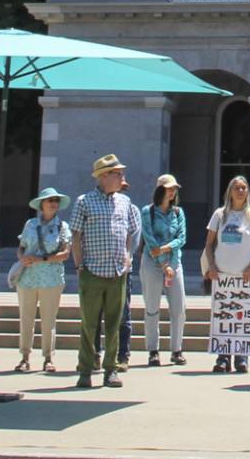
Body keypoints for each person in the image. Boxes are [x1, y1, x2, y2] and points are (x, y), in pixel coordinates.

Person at [69, 153, 140, 389]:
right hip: (92, 271)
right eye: (117, 173)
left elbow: (130, 232)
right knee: (89, 324)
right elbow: (76, 236)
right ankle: (86, 369)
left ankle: (111, 370)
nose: (122, 177)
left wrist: (128, 258)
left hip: (117, 272)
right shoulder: (84, 201)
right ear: (103, 176)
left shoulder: (125, 202)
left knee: (114, 323)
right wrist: (79, 265)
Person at [204, 175, 250, 374]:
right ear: (230, 191)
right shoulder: (219, 215)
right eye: (237, 187)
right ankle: (223, 358)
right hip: (222, 276)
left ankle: (241, 358)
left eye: (244, 188)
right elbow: (209, 244)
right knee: (224, 316)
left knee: (243, 316)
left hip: (245, 276)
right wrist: (211, 266)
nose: (240, 191)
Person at [13, 187, 72, 374]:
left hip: (51, 278)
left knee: (48, 319)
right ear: (41, 204)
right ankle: (24, 357)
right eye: (49, 200)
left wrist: (42, 259)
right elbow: (21, 247)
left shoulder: (63, 226)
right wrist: (22, 257)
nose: (53, 203)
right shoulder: (30, 224)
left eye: (55, 200)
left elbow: (65, 253)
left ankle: (48, 357)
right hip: (28, 277)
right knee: (26, 318)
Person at [140, 174, 187, 367]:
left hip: (174, 262)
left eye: (174, 189)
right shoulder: (147, 212)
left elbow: (181, 238)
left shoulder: (178, 212)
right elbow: (150, 239)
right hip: (152, 263)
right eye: (169, 188)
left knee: (179, 308)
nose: (172, 192)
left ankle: (176, 349)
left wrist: (168, 254)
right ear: (160, 190)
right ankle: (153, 350)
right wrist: (162, 263)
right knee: (152, 307)